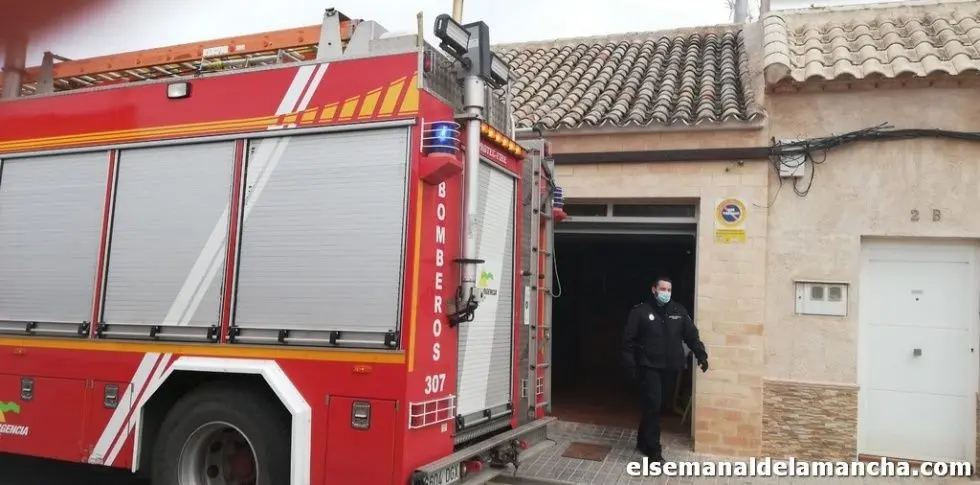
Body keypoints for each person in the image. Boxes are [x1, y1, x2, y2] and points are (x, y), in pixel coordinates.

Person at [621, 276, 708, 462]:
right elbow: (628, 341)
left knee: (657, 405)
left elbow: (691, 335)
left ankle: (642, 440)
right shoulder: (641, 312)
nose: (666, 293)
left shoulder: (678, 311)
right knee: (653, 404)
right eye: (662, 289)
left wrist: (701, 354)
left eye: (669, 290)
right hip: (649, 365)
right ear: (654, 290)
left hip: (670, 367)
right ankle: (654, 449)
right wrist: (630, 365)